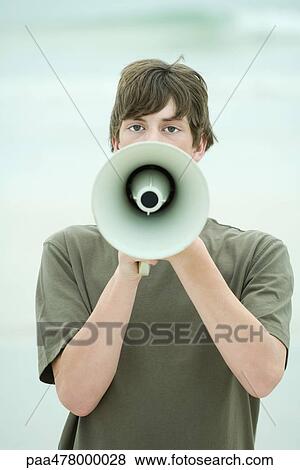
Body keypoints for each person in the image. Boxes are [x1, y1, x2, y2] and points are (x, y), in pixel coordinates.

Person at [35, 57, 294, 450]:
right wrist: (125, 273)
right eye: (137, 126)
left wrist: (188, 252)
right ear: (116, 143)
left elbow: (262, 377)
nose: (152, 142)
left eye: (171, 128)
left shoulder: (258, 253)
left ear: (199, 145)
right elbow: (77, 395)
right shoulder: (68, 251)